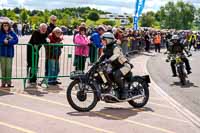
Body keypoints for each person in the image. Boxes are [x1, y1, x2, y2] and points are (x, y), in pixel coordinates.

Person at [99, 32, 133, 100]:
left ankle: (124, 91)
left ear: (108, 40)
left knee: (116, 75)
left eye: (103, 40)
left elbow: (116, 55)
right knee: (107, 75)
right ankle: (111, 90)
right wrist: (97, 62)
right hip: (116, 67)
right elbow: (102, 56)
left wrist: (108, 60)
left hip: (124, 66)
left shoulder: (115, 46)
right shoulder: (106, 48)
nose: (102, 41)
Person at [0, 21, 18, 87]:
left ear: (9, 26)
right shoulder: (0, 33)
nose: (5, 26)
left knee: (9, 68)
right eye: (4, 25)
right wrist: (3, 42)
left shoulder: (12, 32)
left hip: (9, 53)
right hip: (2, 53)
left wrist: (8, 42)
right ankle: (3, 83)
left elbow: (16, 40)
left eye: (7, 25)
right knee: (3, 68)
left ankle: (9, 82)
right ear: (2, 26)